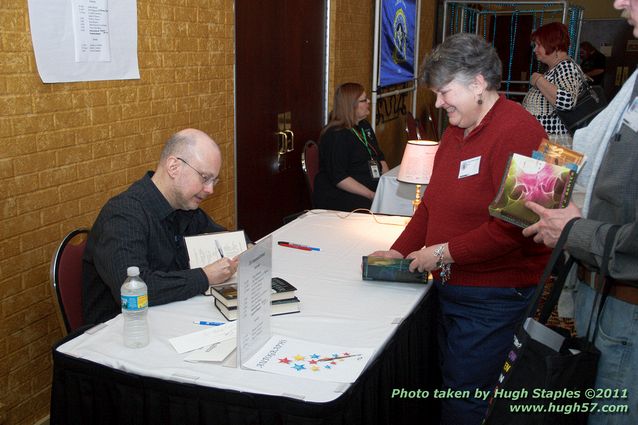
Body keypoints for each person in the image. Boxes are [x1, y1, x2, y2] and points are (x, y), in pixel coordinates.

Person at [369, 33, 551, 425]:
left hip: (496, 295)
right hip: (453, 286)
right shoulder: (456, 131)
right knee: (450, 387)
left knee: (467, 400)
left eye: (444, 92)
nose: (438, 103)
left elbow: (517, 227)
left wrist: (442, 252)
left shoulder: (526, 133)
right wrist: (399, 251)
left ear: (479, 83)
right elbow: (431, 205)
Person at [523, 1, 638, 423]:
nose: (618, 3)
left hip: (562, 160)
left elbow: (569, 109)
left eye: (538, 45)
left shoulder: (566, 70)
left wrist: (538, 80)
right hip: (551, 157)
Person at [83, 129, 239, 325]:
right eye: (204, 178)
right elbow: (137, 288)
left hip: (168, 316)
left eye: (214, 181)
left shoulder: (185, 207)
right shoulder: (123, 215)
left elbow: (222, 236)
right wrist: (205, 276)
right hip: (120, 332)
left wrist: (247, 247)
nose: (210, 190)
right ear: (174, 167)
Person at [312, 82, 389, 211]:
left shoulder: (364, 126)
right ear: (351, 106)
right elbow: (339, 178)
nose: (369, 101)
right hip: (341, 194)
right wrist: (371, 195)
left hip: (369, 187)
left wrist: (385, 185)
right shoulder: (335, 135)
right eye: (364, 100)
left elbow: (379, 156)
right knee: (379, 208)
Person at [522, 22, 584, 139]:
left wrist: (538, 80)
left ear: (553, 45)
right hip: (547, 141)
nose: (535, 50)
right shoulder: (556, 68)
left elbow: (567, 101)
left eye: (538, 45)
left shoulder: (566, 66)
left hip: (553, 145)